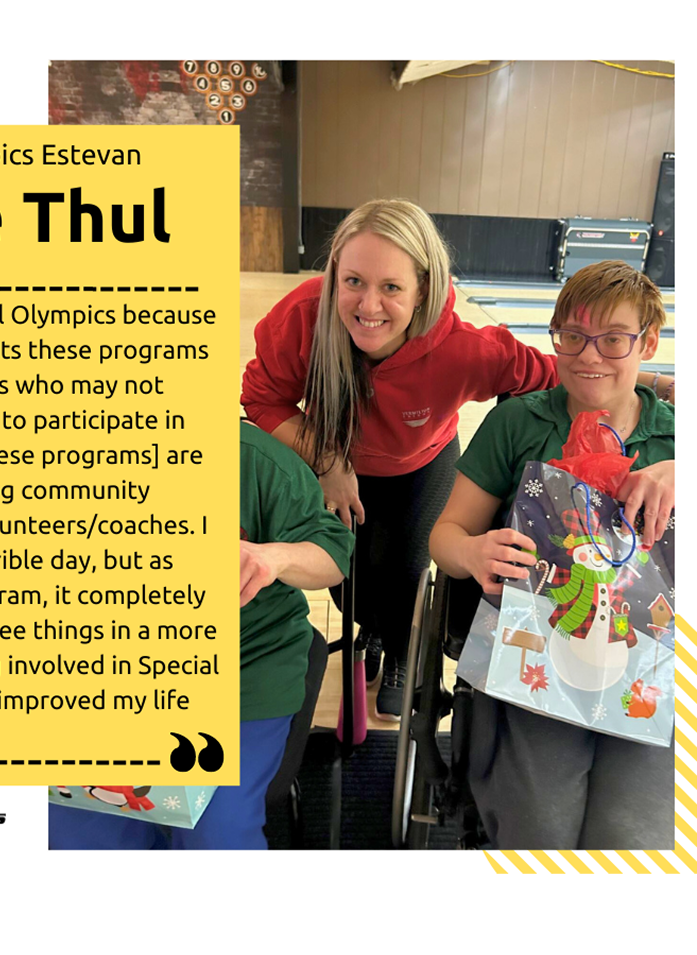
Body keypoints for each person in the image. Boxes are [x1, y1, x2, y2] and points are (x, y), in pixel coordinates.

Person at [245, 200, 594, 717]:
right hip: (335, 463)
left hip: (419, 463)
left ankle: (404, 650)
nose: (369, 305)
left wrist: (648, 383)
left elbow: (551, 375)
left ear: (423, 290)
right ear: (334, 276)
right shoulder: (302, 319)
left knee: (405, 568)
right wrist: (325, 461)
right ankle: (377, 634)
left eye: (391, 287)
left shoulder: (464, 348)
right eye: (354, 281)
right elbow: (262, 399)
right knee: (347, 576)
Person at [429, 260, 674, 848]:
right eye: (572, 336)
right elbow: (445, 535)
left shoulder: (675, 434)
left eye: (613, 339)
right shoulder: (518, 422)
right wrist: (473, 549)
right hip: (539, 654)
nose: (590, 355)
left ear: (647, 342)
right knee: (539, 830)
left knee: (631, 837)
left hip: (653, 666)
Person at [48, 421, 354, 849]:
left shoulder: (255, 461)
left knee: (218, 831)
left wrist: (275, 558)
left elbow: (334, 553)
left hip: (246, 671)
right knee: (76, 828)